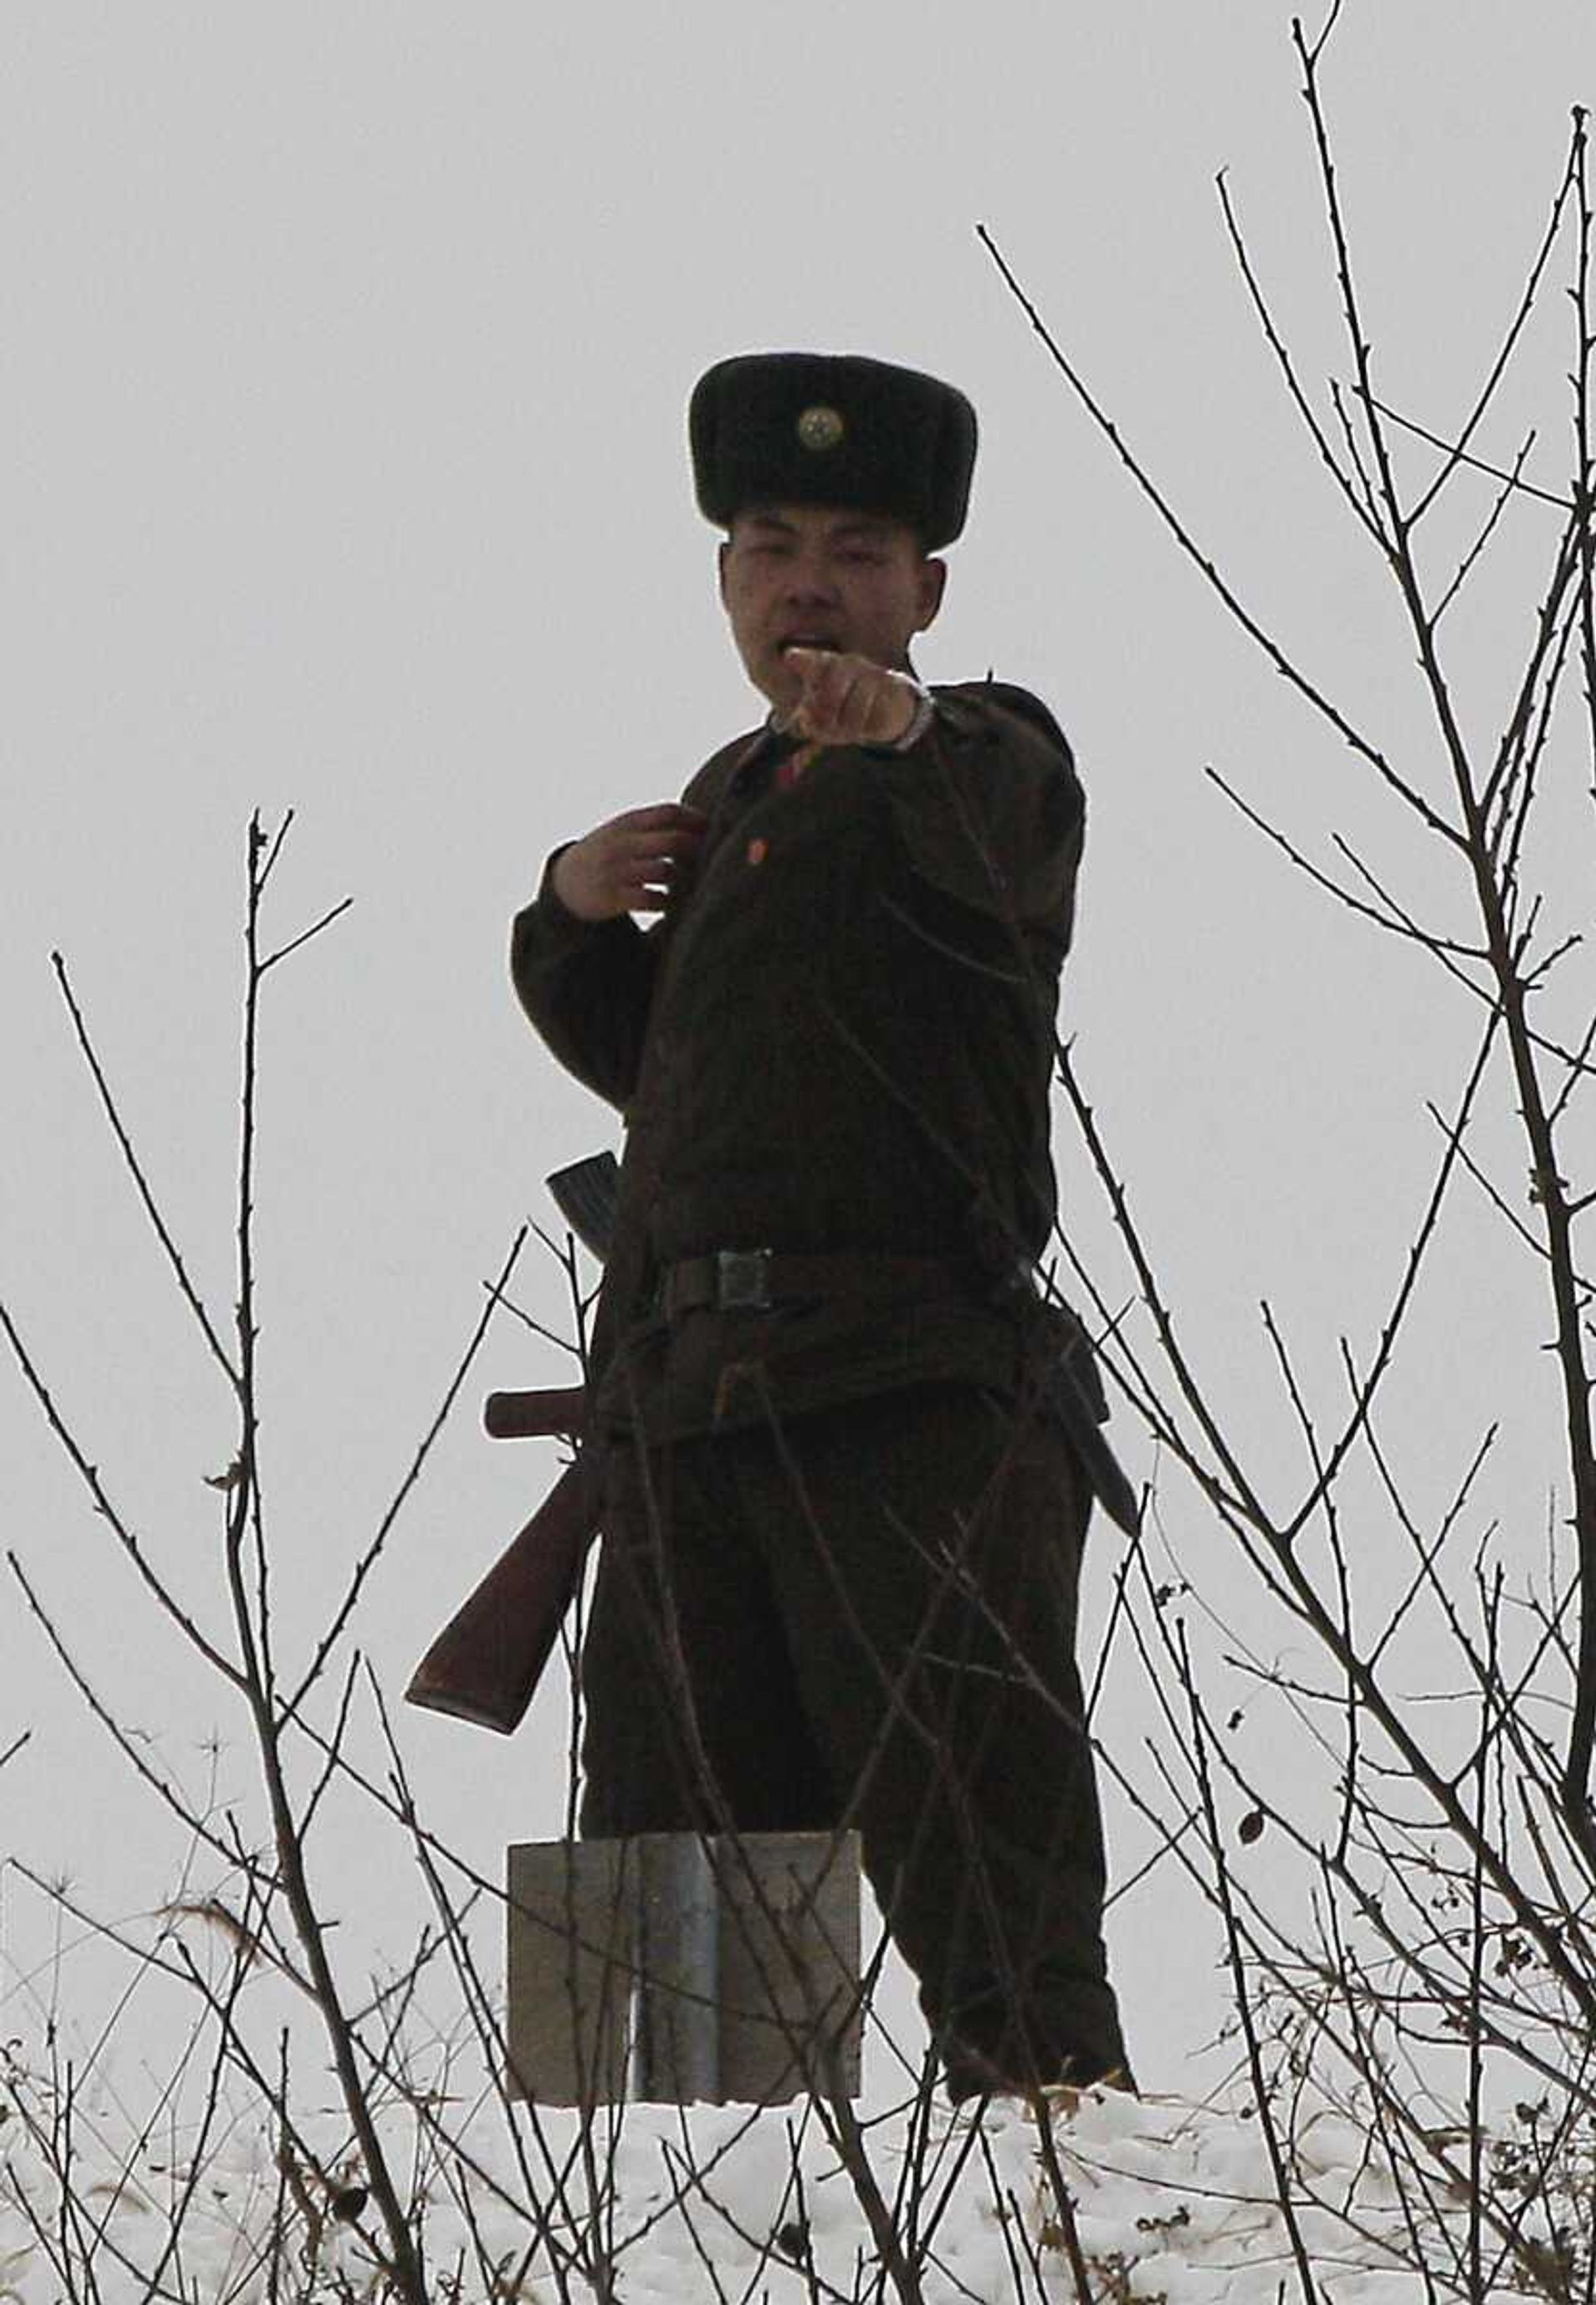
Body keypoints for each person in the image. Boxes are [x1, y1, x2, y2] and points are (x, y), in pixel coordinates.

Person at [510, 351, 1132, 2101]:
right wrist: (564, 918)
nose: (809, 581)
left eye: (857, 548)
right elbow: (673, 1075)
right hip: (695, 1416)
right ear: (723, 581)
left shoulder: (985, 752)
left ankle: (1068, 2242)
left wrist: (911, 730)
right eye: (771, 542)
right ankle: (686, 2255)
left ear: (925, 590)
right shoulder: (734, 801)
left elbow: (1005, 817)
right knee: (671, 1960)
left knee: (996, 1915)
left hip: (913, 1402)